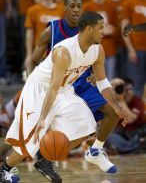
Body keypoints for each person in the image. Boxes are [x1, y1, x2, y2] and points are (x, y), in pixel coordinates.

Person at [0, 11, 128, 183]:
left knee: (86, 124)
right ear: (89, 29)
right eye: (100, 28)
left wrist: (117, 108)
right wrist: (43, 120)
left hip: (63, 90)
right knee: (31, 140)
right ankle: (4, 169)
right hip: (39, 89)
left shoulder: (97, 51)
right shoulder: (64, 52)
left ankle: (47, 161)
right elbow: (52, 88)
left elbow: (103, 82)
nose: (103, 32)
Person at [26, 0, 123, 182]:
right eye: (72, 6)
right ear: (65, 8)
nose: (76, 9)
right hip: (58, 84)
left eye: (80, 6)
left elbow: (96, 60)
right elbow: (34, 61)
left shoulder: (91, 31)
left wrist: (96, 74)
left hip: (83, 83)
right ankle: (21, 162)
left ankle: (95, 150)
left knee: (112, 111)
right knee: (27, 135)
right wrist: (32, 84)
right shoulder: (51, 31)